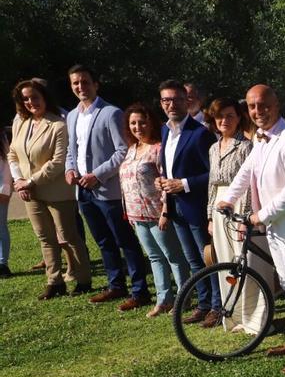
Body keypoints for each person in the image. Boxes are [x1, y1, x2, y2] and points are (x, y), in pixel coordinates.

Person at [218, 84, 285, 374]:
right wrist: (227, 199)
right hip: (275, 227)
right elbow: (245, 172)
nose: (258, 111)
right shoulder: (261, 140)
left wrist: (260, 215)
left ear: (276, 105)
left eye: (263, 105)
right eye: (252, 106)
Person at [65, 65, 149, 310]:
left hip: (107, 190)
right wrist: (70, 169)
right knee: (103, 241)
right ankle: (116, 285)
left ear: (95, 84)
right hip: (84, 191)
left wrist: (97, 175)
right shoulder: (72, 116)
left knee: (124, 240)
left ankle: (139, 290)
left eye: (84, 82)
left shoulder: (111, 113)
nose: (80, 87)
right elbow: (73, 149)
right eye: (75, 83)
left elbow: (123, 150)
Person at [7, 79, 92, 299]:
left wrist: (31, 181)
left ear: (44, 97)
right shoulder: (20, 123)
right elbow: (13, 155)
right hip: (30, 192)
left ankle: (83, 280)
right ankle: (54, 281)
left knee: (69, 237)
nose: (30, 102)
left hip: (55, 191)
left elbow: (58, 161)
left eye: (34, 97)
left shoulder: (58, 124)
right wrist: (18, 180)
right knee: (45, 238)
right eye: (25, 98)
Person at [206, 96, 272, 334]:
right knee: (226, 265)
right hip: (221, 207)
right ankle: (233, 316)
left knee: (247, 262)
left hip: (241, 204)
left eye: (230, 115)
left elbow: (251, 183)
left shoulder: (246, 146)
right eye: (220, 116)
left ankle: (256, 319)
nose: (224, 120)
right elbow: (212, 185)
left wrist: (246, 217)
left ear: (239, 118)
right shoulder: (213, 148)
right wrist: (211, 217)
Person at [119, 102, 188, 317]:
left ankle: (183, 298)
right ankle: (163, 299)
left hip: (158, 213)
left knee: (173, 257)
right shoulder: (132, 149)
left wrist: (166, 211)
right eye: (133, 123)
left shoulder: (159, 148)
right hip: (136, 214)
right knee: (154, 257)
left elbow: (166, 181)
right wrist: (127, 211)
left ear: (151, 123)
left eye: (142, 122)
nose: (137, 127)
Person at [157, 79, 217, 323]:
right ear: (161, 103)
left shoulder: (200, 133)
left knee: (207, 257)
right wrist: (163, 181)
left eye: (176, 99)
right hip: (175, 206)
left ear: (186, 101)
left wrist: (185, 184)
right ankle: (203, 303)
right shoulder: (164, 130)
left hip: (196, 205)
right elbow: (169, 166)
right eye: (166, 100)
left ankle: (217, 306)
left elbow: (214, 173)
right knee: (192, 259)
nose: (172, 104)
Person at [0, 135, 13, 278]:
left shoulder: (1, 136)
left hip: (0, 190)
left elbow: (7, 164)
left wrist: (4, 188)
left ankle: (2, 264)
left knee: (0, 227)